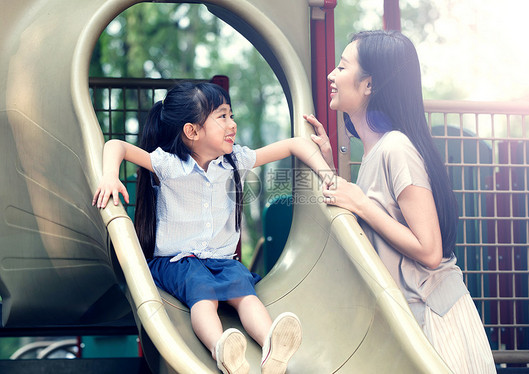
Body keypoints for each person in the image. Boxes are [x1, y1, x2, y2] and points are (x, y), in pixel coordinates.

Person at [93, 81, 333, 374]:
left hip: (221, 261)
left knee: (245, 292)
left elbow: (295, 144)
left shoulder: (235, 161)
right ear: (192, 132)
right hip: (178, 262)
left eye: (231, 115)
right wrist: (109, 176)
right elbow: (115, 145)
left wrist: (326, 173)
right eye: (222, 116)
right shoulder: (170, 166)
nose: (232, 124)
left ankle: (272, 347)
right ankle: (221, 347)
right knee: (202, 293)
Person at [305, 30, 496, 373]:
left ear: (369, 85)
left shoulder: (396, 148)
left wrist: (362, 204)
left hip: (436, 321)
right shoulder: (378, 152)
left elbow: (430, 250)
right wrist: (328, 163)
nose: (331, 75)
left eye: (343, 67)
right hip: (414, 319)